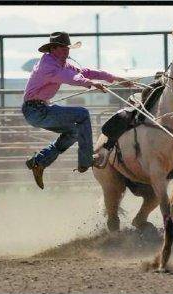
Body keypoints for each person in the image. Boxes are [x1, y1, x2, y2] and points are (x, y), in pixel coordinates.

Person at [22, 31, 132, 189]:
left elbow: (83, 72)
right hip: (36, 110)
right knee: (82, 114)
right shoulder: (48, 65)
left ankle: (39, 161)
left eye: (67, 48)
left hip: (39, 109)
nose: (67, 51)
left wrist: (115, 79)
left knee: (74, 131)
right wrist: (91, 83)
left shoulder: (59, 63)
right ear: (53, 49)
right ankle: (86, 161)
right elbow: (70, 77)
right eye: (63, 48)